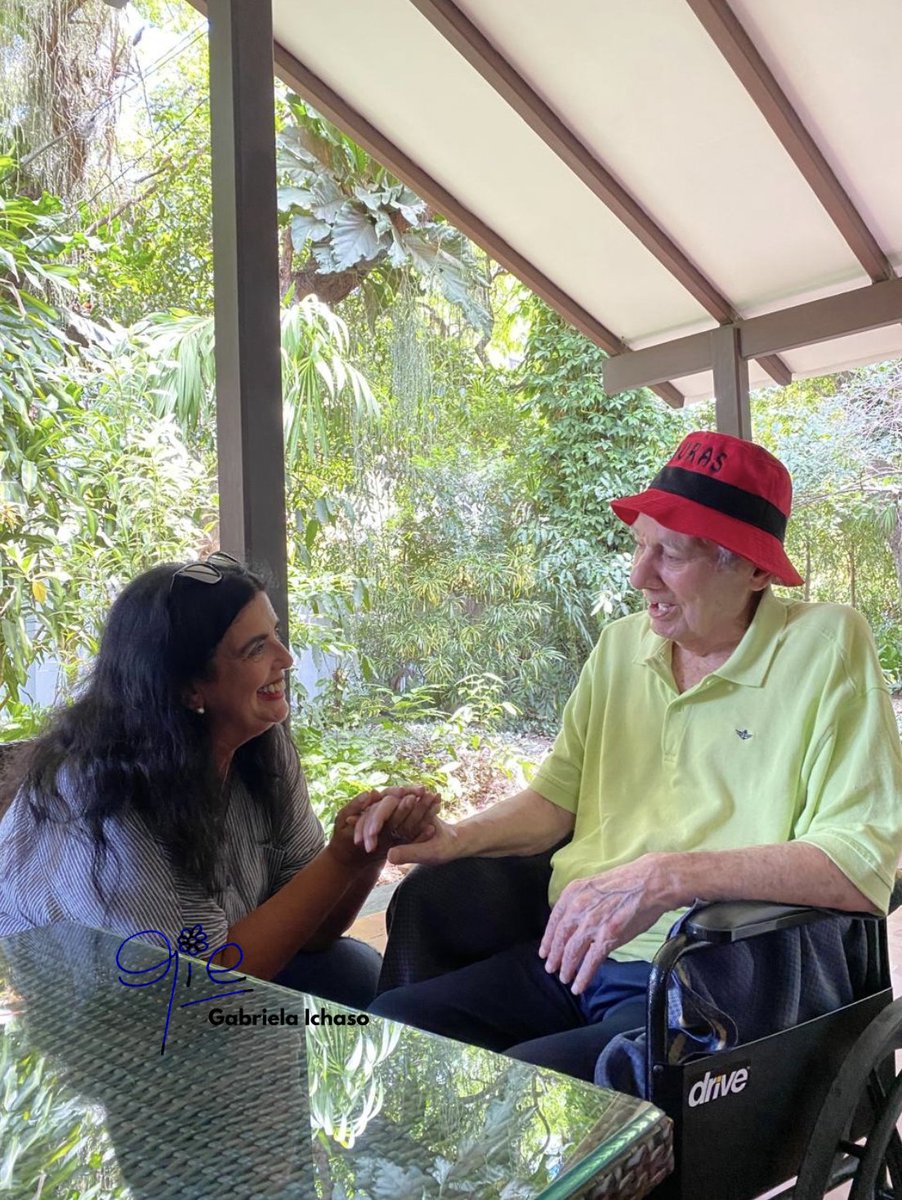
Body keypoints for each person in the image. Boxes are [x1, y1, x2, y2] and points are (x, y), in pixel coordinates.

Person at [361, 430, 902, 1080]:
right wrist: (456, 839)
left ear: (755, 570)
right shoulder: (622, 646)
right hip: (573, 955)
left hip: (713, 983)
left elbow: (859, 862)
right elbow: (555, 801)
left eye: (670, 553)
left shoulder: (823, 644)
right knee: (393, 1033)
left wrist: (671, 876)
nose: (637, 575)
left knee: (530, 1096)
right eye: (640, 544)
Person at [0, 552, 438, 1008]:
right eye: (256, 648)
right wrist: (340, 861)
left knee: (349, 971)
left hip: (200, 987)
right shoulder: (108, 802)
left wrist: (365, 849)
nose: (285, 658)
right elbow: (204, 987)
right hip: (87, 1017)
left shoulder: (261, 747)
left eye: (276, 635)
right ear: (189, 687)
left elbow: (314, 934)